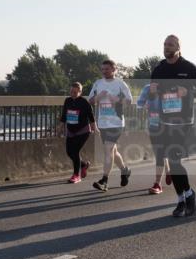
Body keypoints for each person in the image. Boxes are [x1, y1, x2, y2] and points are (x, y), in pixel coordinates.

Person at [149, 35, 196, 217]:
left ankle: (189, 195)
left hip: (183, 121)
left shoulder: (188, 67)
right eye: (165, 44)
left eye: (171, 45)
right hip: (164, 120)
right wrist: (152, 92)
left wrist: (188, 90)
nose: (167, 47)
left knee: (174, 160)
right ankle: (181, 200)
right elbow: (153, 92)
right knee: (171, 160)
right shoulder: (159, 69)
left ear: (178, 47)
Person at [88, 59, 134, 192]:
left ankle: (104, 180)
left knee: (108, 149)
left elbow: (130, 101)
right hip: (103, 122)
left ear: (114, 70)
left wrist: (117, 100)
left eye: (107, 69)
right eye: (102, 69)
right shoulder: (98, 83)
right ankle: (125, 170)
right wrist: (98, 97)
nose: (104, 71)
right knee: (112, 151)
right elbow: (90, 101)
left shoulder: (120, 84)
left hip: (116, 122)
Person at [136, 82, 169, 194]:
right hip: (154, 124)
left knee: (162, 152)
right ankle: (168, 171)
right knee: (159, 152)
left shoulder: (171, 87)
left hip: (170, 125)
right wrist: (144, 104)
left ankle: (157, 183)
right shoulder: (147, 88)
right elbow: (139, 104)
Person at [60, 82, 94, 183]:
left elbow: (91, 115)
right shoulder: (67, 100)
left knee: (75, 151)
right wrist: (60, 127)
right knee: (69, 152)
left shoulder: (84, 102)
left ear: (80, 92)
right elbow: (64, 115)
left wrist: (94, 127)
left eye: (75, 92)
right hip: (71, 130)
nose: (73, 93)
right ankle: (83, 165)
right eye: (71, 91)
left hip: (83, 131)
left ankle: (76, 175)